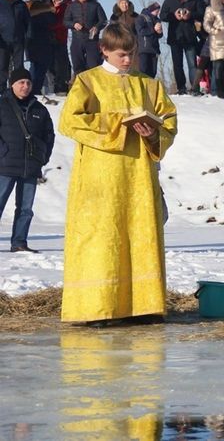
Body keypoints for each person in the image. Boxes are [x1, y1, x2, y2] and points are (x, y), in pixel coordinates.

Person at [59, 23, 178, 326]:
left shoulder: (148, 84)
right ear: (105, 51)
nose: (128, 60)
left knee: (140, 234)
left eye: (132, 54)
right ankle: (98, 307)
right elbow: (69, 121)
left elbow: (169, 120)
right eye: (122, 55)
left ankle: (144, 305)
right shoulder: (88, 82)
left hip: (138, 176)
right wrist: (117, 123)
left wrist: (154, 131)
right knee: (104, 237)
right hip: (101, 179)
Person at [0, 68, 54, 253]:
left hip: (30, 166)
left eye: (28, 83)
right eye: (21, 83)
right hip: (5, 166)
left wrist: (43, 157)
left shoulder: (40, 109)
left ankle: (19, 243)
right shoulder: (2, 105)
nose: (25, 86)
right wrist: (2, 152)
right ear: (12, 84)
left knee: (25, 209)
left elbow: (49, 135)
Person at [161, 0, 206, 95]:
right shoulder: (169, 0)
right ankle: (181, 88)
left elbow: (202, 14)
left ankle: (195, 88)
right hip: (175, 38)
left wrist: (190, 15)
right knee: (177, 65)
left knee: (192, 64)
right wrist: (174, 16)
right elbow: (162, 15)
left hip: (190, 37)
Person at [63, 0, 106, 76]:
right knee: (78, 67)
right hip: (77, 41)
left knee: (94, 66)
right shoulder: (71, 6)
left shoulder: (95, 5)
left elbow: (103, 20)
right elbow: (65, 21)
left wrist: (96, 27)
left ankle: (94, 87)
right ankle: (80, 87)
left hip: (92, 40)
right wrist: (74, 24)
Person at [24, 0, 55, 96]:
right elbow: (30, 13)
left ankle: (36, 90)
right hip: (32, 38)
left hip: (45, 39)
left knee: (43, 66)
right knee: (35, 66)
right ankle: (32, 91)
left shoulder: (46, 4)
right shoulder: (29, 4)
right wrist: (47, 8)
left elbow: (52, 19)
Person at [0, 0, 29, 95]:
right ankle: (1, 90)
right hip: (3, 42)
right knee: (2, 66)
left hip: (18, 41)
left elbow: (27, 22)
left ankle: (18, 90)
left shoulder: (21, 4)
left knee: (19, 67)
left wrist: (26, 36)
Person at [48, 0, 72, 95]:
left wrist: (51, 26)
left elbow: (65, 21)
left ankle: (61, 87)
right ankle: (53, 87)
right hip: (47, 39)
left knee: (62, 64)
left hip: (60, 38)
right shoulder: (47, 3)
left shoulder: (68, 3)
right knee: (50, 64)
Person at [136, 1, 163, 78]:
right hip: (144, 49)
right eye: (156, 9)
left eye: (158, 9)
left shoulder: (157, 20)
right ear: (152, 9)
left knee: (153, 72)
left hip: (154, 49)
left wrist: (159, 32)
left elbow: (160, 35)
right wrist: (153, 29)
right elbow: (140, 31)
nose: (158, 11)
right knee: (143, 71)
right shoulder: (141, 18)